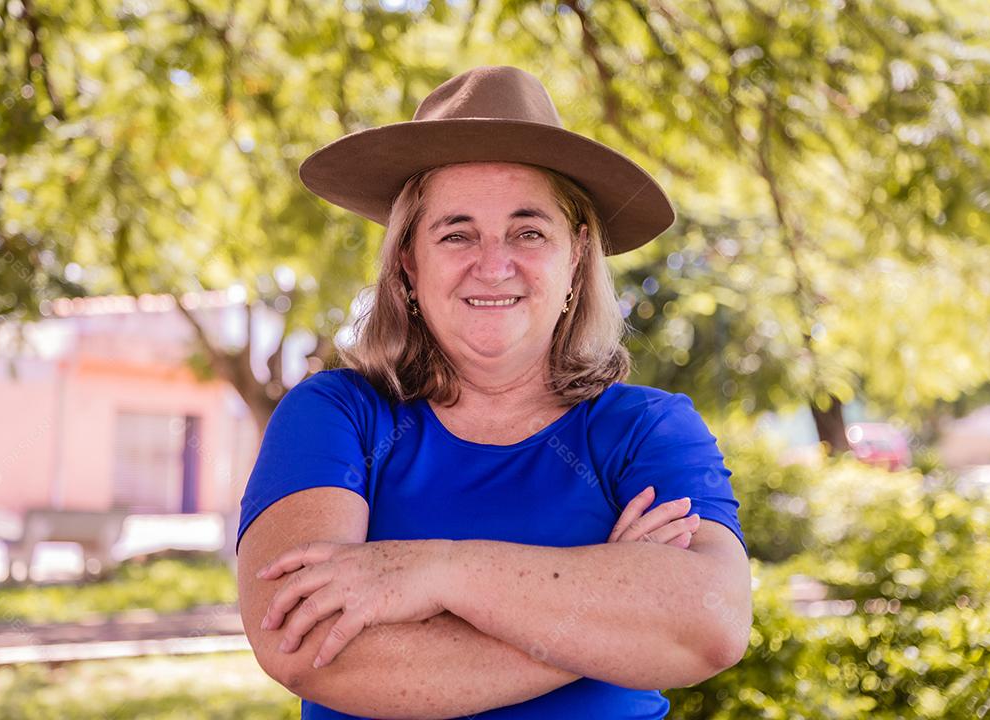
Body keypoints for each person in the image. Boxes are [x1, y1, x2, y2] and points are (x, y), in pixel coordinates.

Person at [236, 65, 751, 720]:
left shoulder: (648, 429)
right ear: (408, 264)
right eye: (456, 232)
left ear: (576, 258)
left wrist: (439, 571)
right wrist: (605, 620)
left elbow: (710, 623)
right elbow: (307, 646)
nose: (493, 263)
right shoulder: (336, 416)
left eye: (528, 231)